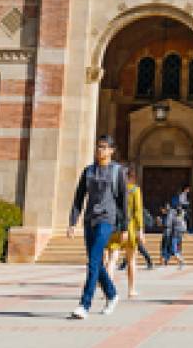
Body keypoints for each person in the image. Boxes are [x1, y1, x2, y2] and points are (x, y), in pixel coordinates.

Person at [66, 134, 127, 320]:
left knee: (93, 261)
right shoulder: (88, 172)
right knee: (96, 263)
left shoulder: (118, 171)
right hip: (89, 220)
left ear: (111, 150)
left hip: (107, 220)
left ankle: (84, 305)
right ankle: (112, 294)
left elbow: (123, 200)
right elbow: (78, 198)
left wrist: (124, 227)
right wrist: (72, 222)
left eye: (103, 147)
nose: (100, 150)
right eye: (98, 146)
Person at [110, 164, 146, 297]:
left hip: (116, 227)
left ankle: (109, 290)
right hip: (130, 228)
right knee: (131, 260)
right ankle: (131, 289)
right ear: (133, 177)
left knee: (112, 259)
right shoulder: (135, 190)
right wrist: (140, 230)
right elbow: (138, 212)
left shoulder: (114, 191)